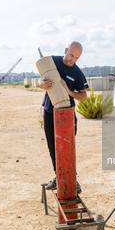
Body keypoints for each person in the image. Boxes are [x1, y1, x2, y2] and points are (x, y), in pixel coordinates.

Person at [38, 41, 89, 193]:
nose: (73, 59)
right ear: (66, 50)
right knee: (52, 147)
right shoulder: (51, 61)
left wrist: (69, 91)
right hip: (49, 111)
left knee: (67, 148)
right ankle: (58, 177)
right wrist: (41, 84)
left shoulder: (77, 73)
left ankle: (73, 180)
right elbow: (39, 80)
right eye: (71, 55)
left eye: (77, 58)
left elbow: (84, 96)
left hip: (66, 114)